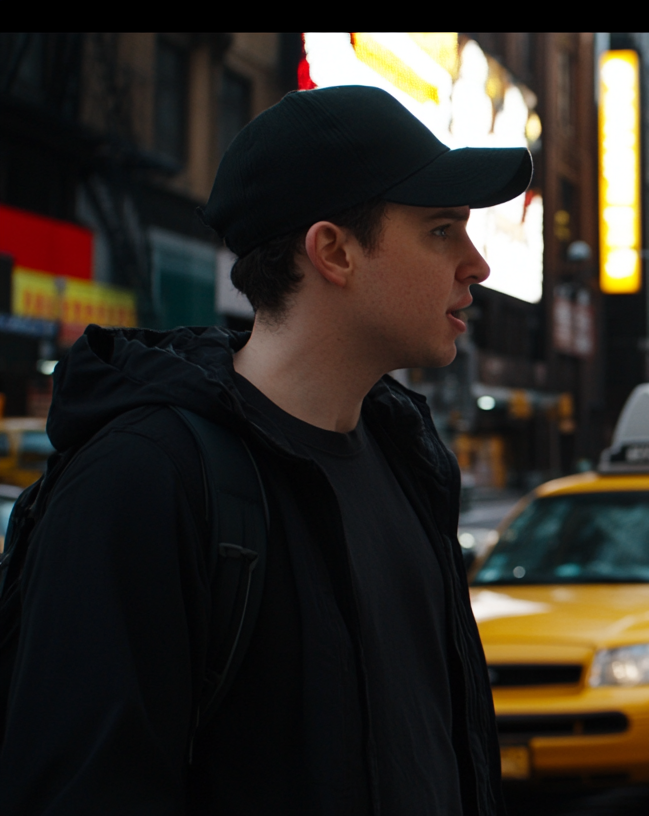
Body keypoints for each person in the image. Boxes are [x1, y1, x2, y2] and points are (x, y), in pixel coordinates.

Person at [0, 85, 532, 814]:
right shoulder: (144, 482)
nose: (477, 265)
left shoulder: (410, 461)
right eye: (442, 231)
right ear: (334, 251)